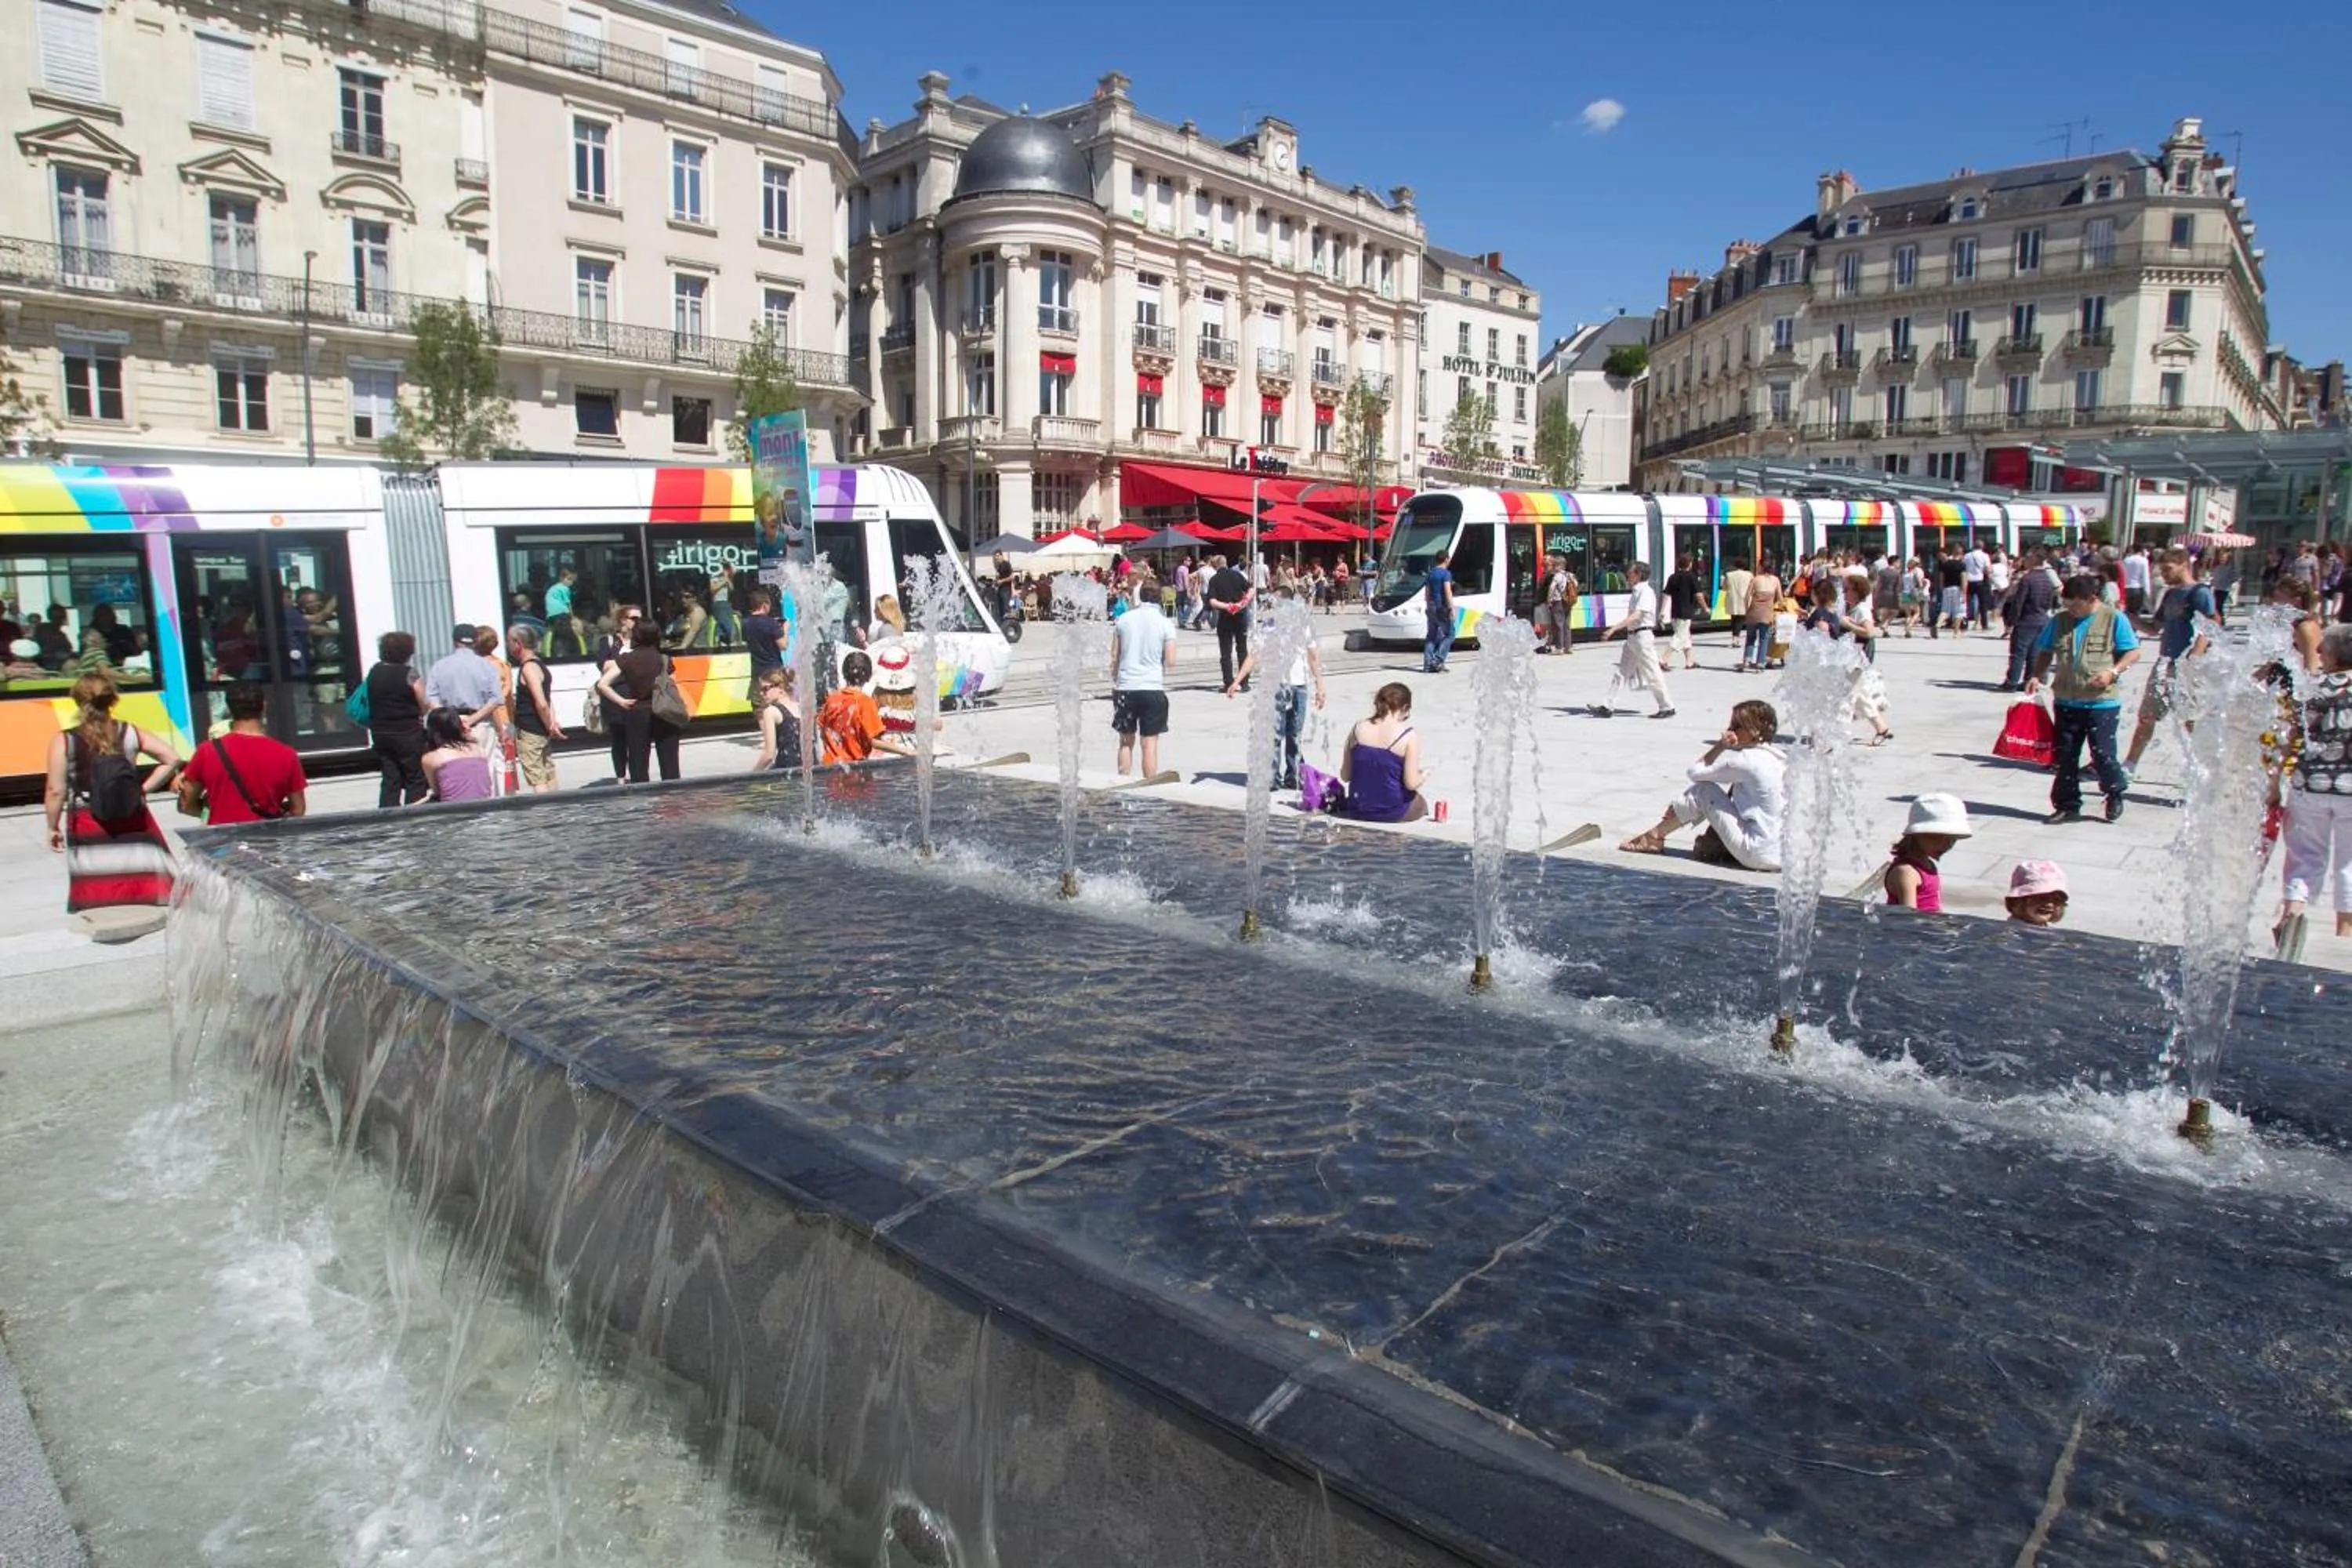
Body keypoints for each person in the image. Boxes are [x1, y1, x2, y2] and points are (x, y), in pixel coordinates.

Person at [45, 673, 179, 913]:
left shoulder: (65, 740)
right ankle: (139, 903)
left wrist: (52, 826)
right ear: (112, 700)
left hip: (88, 818)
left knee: (97, 878)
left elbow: (55, 790)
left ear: (77, 701)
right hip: (131, 811)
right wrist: (143, 789)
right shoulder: (130, 732)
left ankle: (102, 910)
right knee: (135, 867)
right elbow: (171, 758)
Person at [1618, 699, 1785, 870]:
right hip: (1782, 856)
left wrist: (1720, 747)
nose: (1729, 730)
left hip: (1756, 853)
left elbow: (1695, 772)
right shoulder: (1781, 761)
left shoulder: (1746, 761)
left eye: (1736, 726)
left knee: (1704, 791)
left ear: (1754, 731)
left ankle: (1654, 837)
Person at [2028, 575, 2143, 824]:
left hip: (2101, 702)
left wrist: (2112, 672)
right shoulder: (2059, 621)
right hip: (2066, 700)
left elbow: (2133, 652)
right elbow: (2046, 651)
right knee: (2065, 756)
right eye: (2067, 604)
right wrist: (2037, 675)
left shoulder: (2113, 618)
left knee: (2103, 755)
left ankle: (2114, 792)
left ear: (2092, 599)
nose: (2071, 610)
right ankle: (2067, 805)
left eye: (2075, 605)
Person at [2278, 622, 2352, 941]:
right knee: (2350, 861)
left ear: (2334, 654)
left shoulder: (2311, 688)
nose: (2319, 651)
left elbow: (2287, 735)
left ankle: (2291, 916)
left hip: (2308, 786)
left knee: (2304, 857)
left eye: (2325, 647)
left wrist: (2273, 781)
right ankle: (2345, 933)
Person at [1223, 586, 1326, 789]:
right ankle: (1281, 776)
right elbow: (1255, 654)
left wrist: (1320, 685)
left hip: (1295, 685)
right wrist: (1237, 681)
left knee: (1286, 734)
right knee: (1287, 734)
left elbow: (1313, 656)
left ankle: (1288, 775)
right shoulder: (1271, 624)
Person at [177, 682, 307, 823]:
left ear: (229, 709)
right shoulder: (287, 754)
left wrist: (212, 811)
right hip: (267, 840)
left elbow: (185, 805)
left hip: (222, 841)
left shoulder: (207, 751)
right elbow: (298, 810)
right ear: (264, 706)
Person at [597, 619, 683, 783]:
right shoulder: (664, 659)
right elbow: (673, 686)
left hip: (637, 713)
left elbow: (603, 684)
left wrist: (621, 701)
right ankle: (672, 802)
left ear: (636, 636)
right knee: (670, 763)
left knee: (638, 763)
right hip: (664, 712)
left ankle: (643, 803)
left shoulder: (627, 659)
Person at [1111, 570, 1178, 777]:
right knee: (1149, 744)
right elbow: (1171, 661)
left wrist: (1116, 679)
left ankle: (1123, 783)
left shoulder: (1123, 620)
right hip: (1152, 688)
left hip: (1126, 688)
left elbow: (1114, 656)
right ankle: (1149, 787)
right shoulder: (1166, 624)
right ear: (1159, 598)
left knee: (1125, 742)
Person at [1594, 561, 1675, 718]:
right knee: (1621, 672)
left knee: (1652, 672)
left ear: (1638, 575)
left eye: (1630, 573)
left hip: (1642, 637)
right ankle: (1607, 705)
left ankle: (1667, 706)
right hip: (1633, 637)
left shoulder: (1645, 592)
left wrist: (1613, 629)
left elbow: (1638, 615)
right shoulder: (1637, 591)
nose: (1627, 575)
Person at [1338, 681, 1427, 822]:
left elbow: (1345, 776)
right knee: (1420, 803)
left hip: (1358, 808)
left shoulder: (1358, 729)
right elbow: (1411, 783)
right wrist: (1423, 775)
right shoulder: (1408, 736)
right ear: (1405, 708)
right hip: (1393, 811)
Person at [365, 631, 431, 808]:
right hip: (407, 731)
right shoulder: (409, 673)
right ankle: (414, 816)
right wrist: (422, 712)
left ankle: (387, 815)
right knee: (415, 777)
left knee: (390, 777)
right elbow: (423, 700)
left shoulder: (375, 671)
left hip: (381, 732)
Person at [818, 648, 909, 764]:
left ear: (844, 674)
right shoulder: (865, 702)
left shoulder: (832, 699)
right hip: (854, 769)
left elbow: (822, 731)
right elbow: (874, 742)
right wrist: (907, 751)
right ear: (868, 677)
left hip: (829, 767)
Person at [1885, 793, 1973, 912]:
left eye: (1952, 840)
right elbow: (1907, 919)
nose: (1945, 845)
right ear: (1916, 834)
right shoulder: (1907, 873)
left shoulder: (1928, 865)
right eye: (1935, 837)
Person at [424, 623, 503, 748]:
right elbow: (496, 699)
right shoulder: (488, 667)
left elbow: (431, 698)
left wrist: (451, 720)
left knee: (454, 765)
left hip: (448, 726)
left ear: (455, 642)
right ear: (476, 642)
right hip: (480, 724)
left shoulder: (439, 666)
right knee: (484, 765)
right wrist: (472, 720)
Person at [1996, 548, 2063, 691]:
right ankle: (2029, 680)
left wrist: (2011, 620)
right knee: (2035, 653)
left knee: (2019, 652)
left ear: (2033, 560)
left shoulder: (2028, 578)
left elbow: (2019, 601)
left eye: (2027, 558)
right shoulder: (2047, 578)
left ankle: (2012, 681)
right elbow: (2052, 600)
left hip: (2027, 619)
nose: (2025, 561)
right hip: (2042, 618)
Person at [593, 604, 647, 782]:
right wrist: (630, 663)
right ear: (623, 620)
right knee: (619, 740)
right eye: (634, 618)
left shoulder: (641, 641)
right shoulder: (609, 641)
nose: (638, 622)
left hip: (636, 695)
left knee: (637, 739)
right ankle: (621, 777)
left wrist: (619, 665)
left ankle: (638, 775)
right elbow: (604, 666)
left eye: (640, 619)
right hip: (614, 698)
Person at [507, 623, 563, 793]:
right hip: (541, 730)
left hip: (530, 730)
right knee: (548, 773)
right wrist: (551, 723)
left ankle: (546, 814)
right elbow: (547, 699)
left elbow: (542, 703)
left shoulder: (529, 668)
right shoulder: (540, 665)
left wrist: (549, 725)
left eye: (509, 641)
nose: (507, 644)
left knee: (537, 777)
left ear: (518, 644)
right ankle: (557, 809)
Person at [420, 706, 495, 802]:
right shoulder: (479, 750)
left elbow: (437, 791)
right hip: (483, 806)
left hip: (453, 811)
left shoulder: (431, 759)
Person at [1203, 553, 1253, 690]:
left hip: (1225, 618)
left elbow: (1212, 602)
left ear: (1215, 566)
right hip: (1240, 616)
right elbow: (1251, 589)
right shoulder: (1237, 575)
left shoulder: (1214, 580)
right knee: (1242, 650)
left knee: (1226, 652)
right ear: (1226, 563)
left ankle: (1229, 683)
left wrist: (1228, 606)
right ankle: (1244, 683)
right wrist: (1242, 603)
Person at [750, 666, 805, 771]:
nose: (762, 694)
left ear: (780, 688)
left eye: (765, 689)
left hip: (786, 773)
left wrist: (752, 775)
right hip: (810, 770)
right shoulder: (803, 708)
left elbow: (769, 755)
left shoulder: (770, 711)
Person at [742, 586, 787, 702]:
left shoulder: (745, 623)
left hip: (757, 670)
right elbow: (783, 646)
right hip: (773, 670)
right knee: (776, 702)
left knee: (759, 705)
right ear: (765, 605)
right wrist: (785, 629)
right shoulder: (771, 623)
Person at [1663, 555, 1703, 670]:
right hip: (1685, 613)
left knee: (1686, 637)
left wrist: (1662, 612)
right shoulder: (1691, 577)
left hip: (1675, 612)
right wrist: (1705, 608)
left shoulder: (1673, 577)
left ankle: (1689, 662)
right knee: (1680, 637)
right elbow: (1699, 594)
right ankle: (1663, 659)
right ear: (1690, 564)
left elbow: (1666, 595)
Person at [1740, 561, 1780, 671]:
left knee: (1750, 637)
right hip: (1767, 614)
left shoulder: (1755, 579)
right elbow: (1780, 598)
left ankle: (1746, 661)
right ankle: (1760, 664)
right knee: (1764, 639)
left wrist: (1747, 610)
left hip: (1753, 612)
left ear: (1761, 568)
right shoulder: (1775, 580)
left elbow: (1747, 597)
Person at [1421, 550, 1456, 673]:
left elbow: (1427, 593)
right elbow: (1448, 592)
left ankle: (1427, 665)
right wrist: (1452, 609)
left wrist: (1428, 607)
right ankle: (1437, 660)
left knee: (1431, 636)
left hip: (1431, 606)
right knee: (1450, 635)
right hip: (1442, 608)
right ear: (1446, 559)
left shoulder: (1430, 573)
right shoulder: (1445, 574)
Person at [2005, 860, 2070, 926]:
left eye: (2057, 899)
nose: (2049, 905)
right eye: (2042, 898)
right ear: (2019, 901)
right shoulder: (2012, 932)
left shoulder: (2045, 930)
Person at [1541, 549, 1577, 655]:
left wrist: (1549, 600)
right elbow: (1576, 585)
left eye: (1555, 565)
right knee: (1567, 625)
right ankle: (1568, 647)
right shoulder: (1570, 575)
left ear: (1559, 565)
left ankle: (1559, 648)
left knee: (1558, 625)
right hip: (1569, 603)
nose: (1554, 567)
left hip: (1558, 602)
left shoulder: (1558, 576)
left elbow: (1552, 588)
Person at [1722, 557, 1755, 666]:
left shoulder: (1729, 574)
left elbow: (1724, 588)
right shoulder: (1749, 575)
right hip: (1744, 598)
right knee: (1741, 619)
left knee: (1734, 618)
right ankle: (1736, 639)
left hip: (1733, 599)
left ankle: (1734, 638)